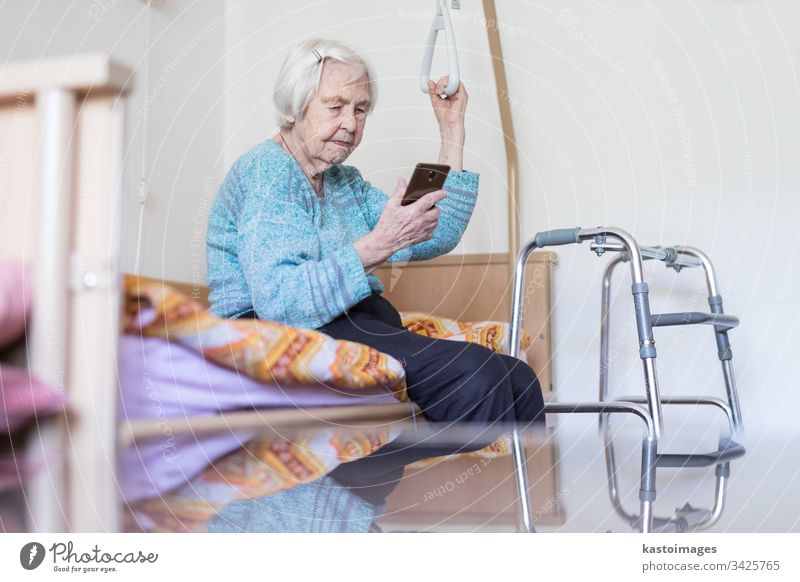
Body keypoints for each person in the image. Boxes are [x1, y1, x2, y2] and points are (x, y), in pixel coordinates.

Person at [205, 38, 544, 530]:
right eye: (335, 106)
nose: (351, 123)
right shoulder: (267, 173)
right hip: (275, 336)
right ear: (295, 107)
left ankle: (524, 522)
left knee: (517, 378)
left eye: (361, 109)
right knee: (479, 380)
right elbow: (280, 303)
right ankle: (359, 487)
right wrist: (377, 244)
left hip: (353, 325)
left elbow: (433, 237)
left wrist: (451, 131)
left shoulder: (343, 180)